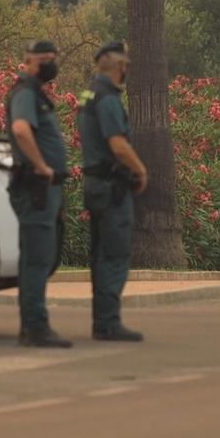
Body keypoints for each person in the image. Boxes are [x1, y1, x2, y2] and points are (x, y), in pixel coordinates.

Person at [78, 40, 149, 341]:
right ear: (121, 67)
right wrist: (140, 169)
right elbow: (118, 144)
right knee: (114, 254)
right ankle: (108, 323)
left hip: (95, 183)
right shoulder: (107, 99)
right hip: (110, 187)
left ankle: (102, 322)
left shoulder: (88, 95)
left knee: (100, 255)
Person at [5, 39, 73, 348]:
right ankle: (35, 327)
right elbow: (21, 130)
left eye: (53, 57)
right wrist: (42, 167)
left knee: (39, 257)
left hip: (43, 189)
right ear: (30, 61)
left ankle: (31, 327)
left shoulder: (36, 94)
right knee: (36, 258)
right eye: (45, 58)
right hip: (35, 187)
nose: (50, 63)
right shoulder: (25, 93)